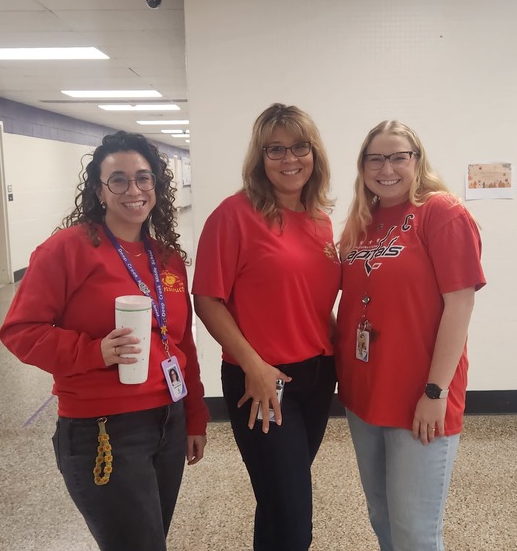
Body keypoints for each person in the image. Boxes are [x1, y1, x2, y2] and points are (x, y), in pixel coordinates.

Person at [0, 131, 208, 551]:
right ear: (99, 189)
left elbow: (180, 342)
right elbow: (20, 331)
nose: (134, 190)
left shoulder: (166, 258)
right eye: (118, 180)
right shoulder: (67, 250)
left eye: (143, 178)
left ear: (156, 185)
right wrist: (94, 352)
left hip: (168, 421)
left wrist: (194, 416)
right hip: (104, 428)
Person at [193, 103, 339, 551]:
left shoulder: (320, 220)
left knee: (278, 503)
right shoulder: (233, 215)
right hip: (262, 382)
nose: (289, 159)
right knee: (294, 521)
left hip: (318, 377)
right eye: (275, 149)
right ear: (259, 158)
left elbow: (315, 304)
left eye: (299, 147)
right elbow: (207, 300)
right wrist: (253, 365)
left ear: (314, 153)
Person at [336, 120, 486, 551]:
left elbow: (460, 305)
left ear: (417, 160)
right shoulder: (360, 223)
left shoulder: (442, 212)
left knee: (415, 531)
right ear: (362, 166)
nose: (387, 169)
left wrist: (435, 392)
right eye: (375, 159)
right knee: (382, 516)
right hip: (364, 393)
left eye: (399, 157)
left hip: (420, 394)